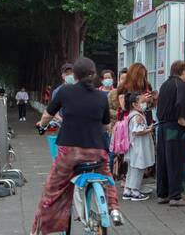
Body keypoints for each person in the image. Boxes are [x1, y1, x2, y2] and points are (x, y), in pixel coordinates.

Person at [32, 57, 122, 234]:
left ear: (75, 75)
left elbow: (47, 116)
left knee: (52, 189)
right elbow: (105, 125)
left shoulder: (65, 92)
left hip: (69, 151)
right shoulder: (101, 96)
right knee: (107, 175)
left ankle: (38, 230)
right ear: (95, 75)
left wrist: (41, 125)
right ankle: (114, 209)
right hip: (96, 151)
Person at [156, 61, 185, 206]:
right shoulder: (180, 84)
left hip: (163, 128)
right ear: (182, 72)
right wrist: (182, 118)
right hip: (175, 129)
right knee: (176, 161)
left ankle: (163, 193)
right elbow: (180, 102)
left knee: (164, 160)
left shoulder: (165, 84)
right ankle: (175, 196)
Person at [122, 92, 155, 201]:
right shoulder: (138, 116)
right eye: (143, 102)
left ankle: (127, 190)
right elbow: (137, 131)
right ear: (134, 104)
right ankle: (135, 191)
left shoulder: (131, 114)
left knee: (132, 168)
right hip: (139, 147)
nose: (145, 104)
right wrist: (149, 129)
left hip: (133, 146)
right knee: (138, 168)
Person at [108, 68, 128, 180]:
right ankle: (110, 174)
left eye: (127, 79)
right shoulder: (112, 93)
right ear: (118, 80)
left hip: (127, 128)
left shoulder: (131, 93)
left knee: (125, 151)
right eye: (122, 78)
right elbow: (107, 110)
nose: (124, 81)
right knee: (112, 152)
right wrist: (120, 114)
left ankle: (123, 174)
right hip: (115, 127)